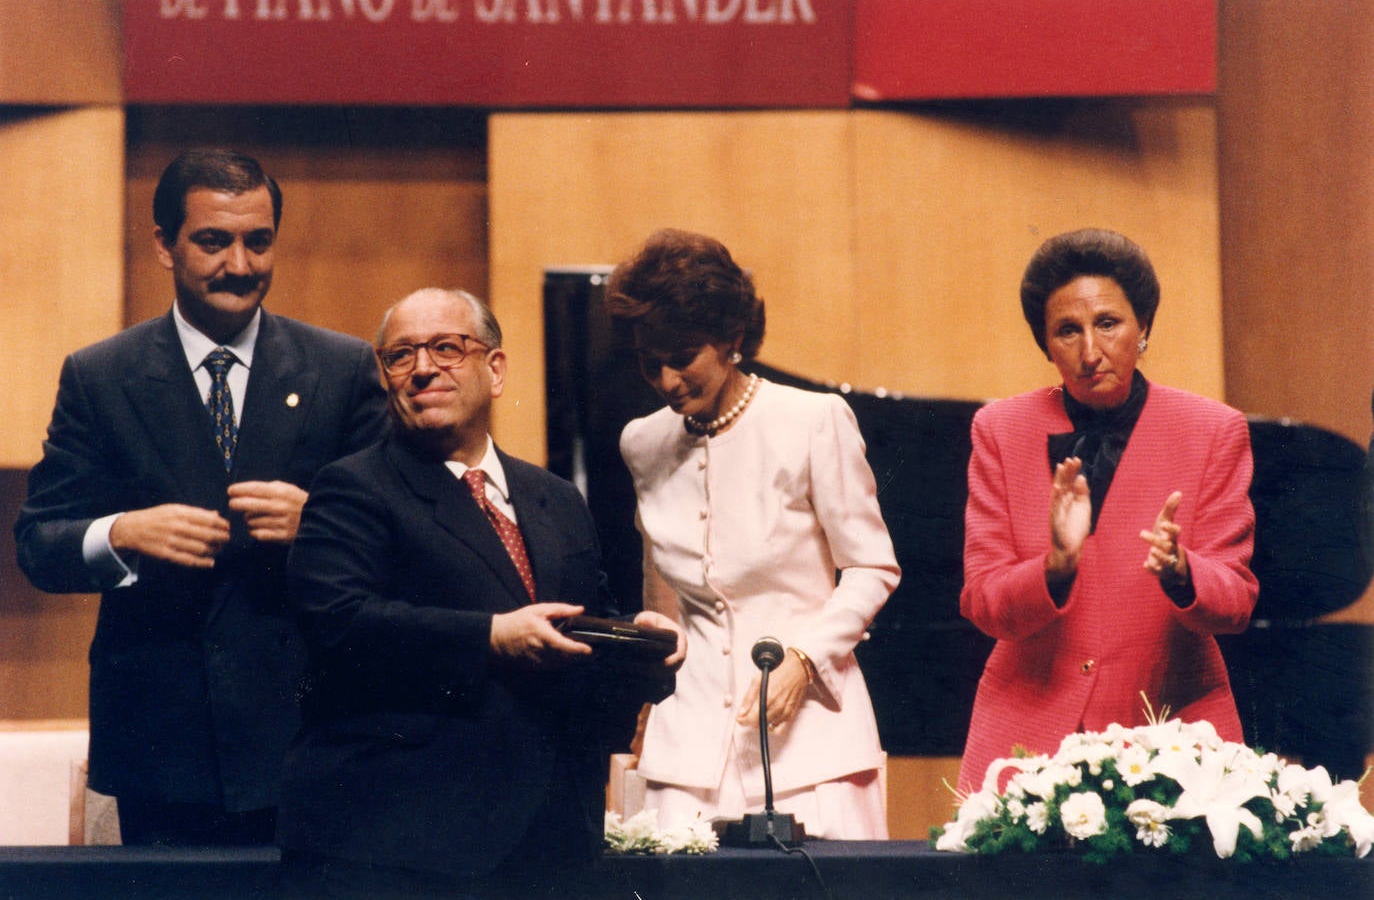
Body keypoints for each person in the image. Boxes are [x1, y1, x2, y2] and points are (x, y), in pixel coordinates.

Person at [13, 149, 389, 844]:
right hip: (163, 743)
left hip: (311, 734)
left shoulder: (343, 368)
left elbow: (407, 539)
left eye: (259, 240)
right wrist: (120, 532)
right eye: (214, 241)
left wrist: (320, 522)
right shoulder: (100, 376)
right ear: (164, 244)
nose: (240, 265)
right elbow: (39, 543)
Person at [275, 288, 684, 898]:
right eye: (400, 356)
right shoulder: (352, 488)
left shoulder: (555, 499)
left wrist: (641, 645)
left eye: (446, 348)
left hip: (551, 842)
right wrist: (492, 636)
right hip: (404, 845)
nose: (421, 369)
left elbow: (577, 627)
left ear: (495, 370)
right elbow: (341, 625)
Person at [605, 229, 900, 839]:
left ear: (732, 339)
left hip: (811, 736)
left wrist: (803, 659)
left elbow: (872, 568)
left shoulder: (812, 421)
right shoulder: (643, 441)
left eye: (683, 355)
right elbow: (662, 589)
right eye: (648, 360)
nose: (666, 379)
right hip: (686, 744)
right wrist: (647, 695)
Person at [956, 228, 1259, 793]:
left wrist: (1181, 571)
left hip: (1172, 736)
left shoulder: (1213, 430)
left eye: (1108, 324)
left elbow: (1236, 601)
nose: (1090, 352)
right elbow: (983, 602)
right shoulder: (1001, 429)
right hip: (1025, 737)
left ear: (1143, 327)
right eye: (1067, 331)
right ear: (1045, 344)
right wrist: (1055, 566)